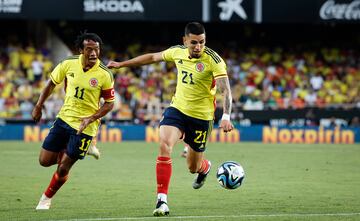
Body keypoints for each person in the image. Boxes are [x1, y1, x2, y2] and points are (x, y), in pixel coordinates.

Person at [107, 22, 233, 216]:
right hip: (178, 110)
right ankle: (162, 201)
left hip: (201, 118)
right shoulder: (177, 52)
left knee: (193, 167)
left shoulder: (214, 60)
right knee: (165, 144)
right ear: (184, 41)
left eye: (202, 42)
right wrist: (122, 64)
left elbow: (226, 90)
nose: (198, 47)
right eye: (194, 43)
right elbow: (152, 57)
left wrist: (225, 116)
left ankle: (205, 168)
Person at [32, 32, 115, 210]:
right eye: (89, 49)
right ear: (80, 50)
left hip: (85, 127)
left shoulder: (104, 74)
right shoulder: (68, 64)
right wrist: (39, 106)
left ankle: (46, 198)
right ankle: (82, 150)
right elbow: (51, 83)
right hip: (64, 118)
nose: (93, 53)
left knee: (63, 168)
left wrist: (91, 118)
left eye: (97, 49)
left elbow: (109, 104)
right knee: (44, 161)